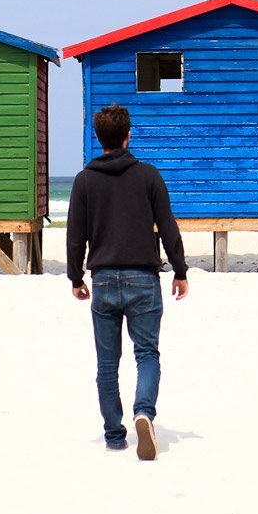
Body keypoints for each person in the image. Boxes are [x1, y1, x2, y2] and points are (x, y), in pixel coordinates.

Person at [67, 104, 188, 460]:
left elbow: (76, 236)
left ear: (99, 137)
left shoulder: (84, 181)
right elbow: (168, 227)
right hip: (143, 278)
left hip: (103, 279)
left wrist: (76, 276)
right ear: (127, 135)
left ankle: (114, 435)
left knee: (107, 364)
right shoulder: (149, 176)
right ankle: (143, 413)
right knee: (147, 353)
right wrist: (180, 271)